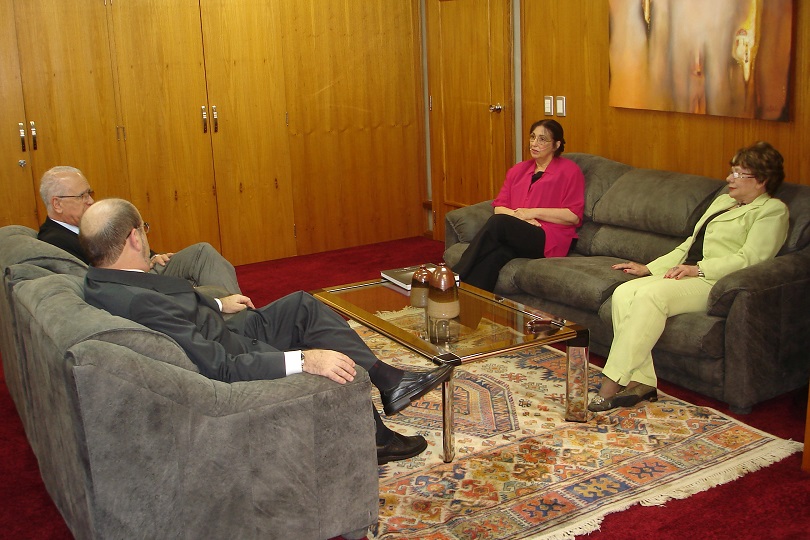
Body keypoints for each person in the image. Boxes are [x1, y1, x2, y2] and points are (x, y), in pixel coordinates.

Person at [79, 198, 454, 464]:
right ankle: (379, 427)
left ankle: (388, 383)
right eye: (144, 229)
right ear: (133, 238)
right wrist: (305, 359)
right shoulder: (137, 300)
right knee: (328, 355)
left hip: (219, 327)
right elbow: (221, 367)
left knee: (300, 304)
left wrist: (216, 304)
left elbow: (173, 308)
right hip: (235, 354)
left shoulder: (104, 281)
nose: (146, 237)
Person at [589, 141, 790, 412]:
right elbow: (688, 245)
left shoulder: (772, 211)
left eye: (739, 174)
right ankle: (643, 382)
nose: (729, 178)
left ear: (762, 180)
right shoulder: (723, 201)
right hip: (687, 272)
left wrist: (699, 269)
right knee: (623, 292)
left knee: (651, 296)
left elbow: (751, 259)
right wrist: (650, 268)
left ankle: (611, 382)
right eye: (732, 171)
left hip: (715, 282)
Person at [37, 166, 241, 294]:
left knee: (201, 253)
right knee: (203, 262)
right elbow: (95, 274)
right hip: (131, 281)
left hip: (145, 265)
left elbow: (123, 240)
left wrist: (153, 256)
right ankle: (243, 325)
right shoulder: (54, 240)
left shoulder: (84, 224)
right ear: (57, 204)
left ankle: (242, 319)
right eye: (82, 196)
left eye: (90, 193)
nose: (90, 201)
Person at [451, 119, 585, 291]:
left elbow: (573, 216)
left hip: (549, 238)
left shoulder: (569, 171)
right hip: (521, 234)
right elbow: (499, 207)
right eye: (532, 137)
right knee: (493, 257)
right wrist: (522, 220)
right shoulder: (518, 170)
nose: (534, 144)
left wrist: (531, 213)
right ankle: (469, 306)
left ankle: (454, 275)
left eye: (542, 139)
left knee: (498, 222)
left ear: (556, 144)